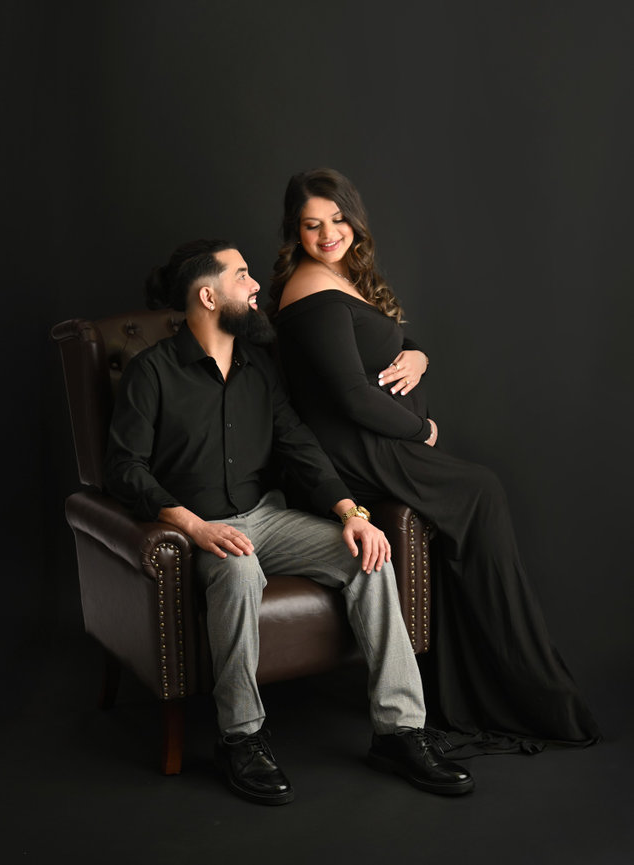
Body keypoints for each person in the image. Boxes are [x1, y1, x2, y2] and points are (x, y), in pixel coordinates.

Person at [103, 238, 475, 805]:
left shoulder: (258, 366)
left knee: (368, 555)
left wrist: (351, 513)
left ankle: (399, 733)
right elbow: (123, 469)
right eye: (242, 275)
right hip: (197, 531)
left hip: (267, 518)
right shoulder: (151, 372)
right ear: (208, 296)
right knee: (237, 570)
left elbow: (297, 443)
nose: (256, 286)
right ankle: (240, 738)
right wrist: (196, 528)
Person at [269, 168, 601, 757]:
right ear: (295, 232)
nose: (328, 234)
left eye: (338, 220)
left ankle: (473, 682)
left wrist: (418, 356)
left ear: (354, 218)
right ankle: (513, 683)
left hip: (377, 442)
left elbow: (389, 341)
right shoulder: (310, 287)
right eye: (312, 225)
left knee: (473, 499)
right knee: (481, 491)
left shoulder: (343, 276)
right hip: (354, 449)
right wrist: (420, 428)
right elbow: (349, 395)